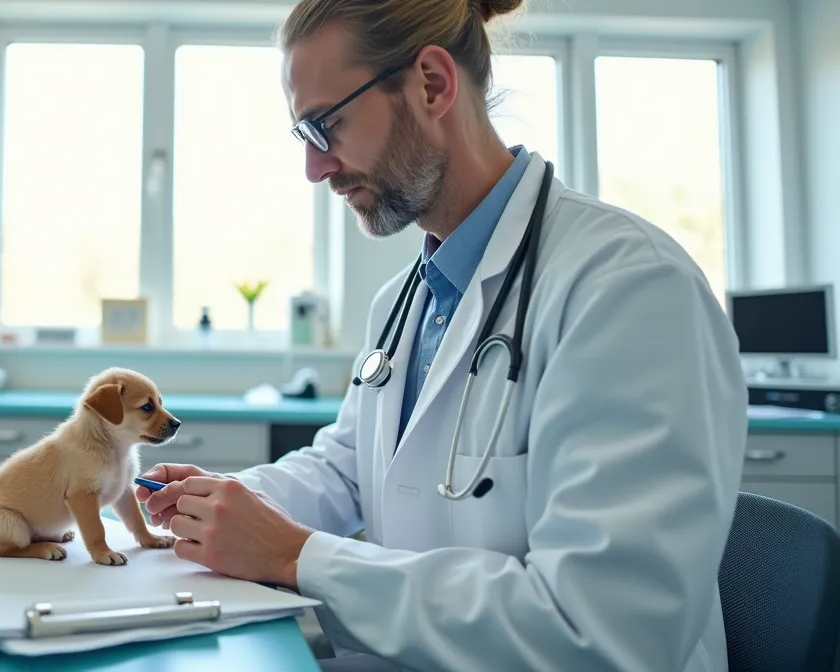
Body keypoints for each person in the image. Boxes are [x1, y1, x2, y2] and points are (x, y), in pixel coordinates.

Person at [135, 0, 749, 669]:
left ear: (432, 84)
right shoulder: (401, 302)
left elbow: (604, 628)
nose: (316, 170)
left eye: (325, 127)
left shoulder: (628, 289)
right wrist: (226, 505)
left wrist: (290, 554)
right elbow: (346, 472)